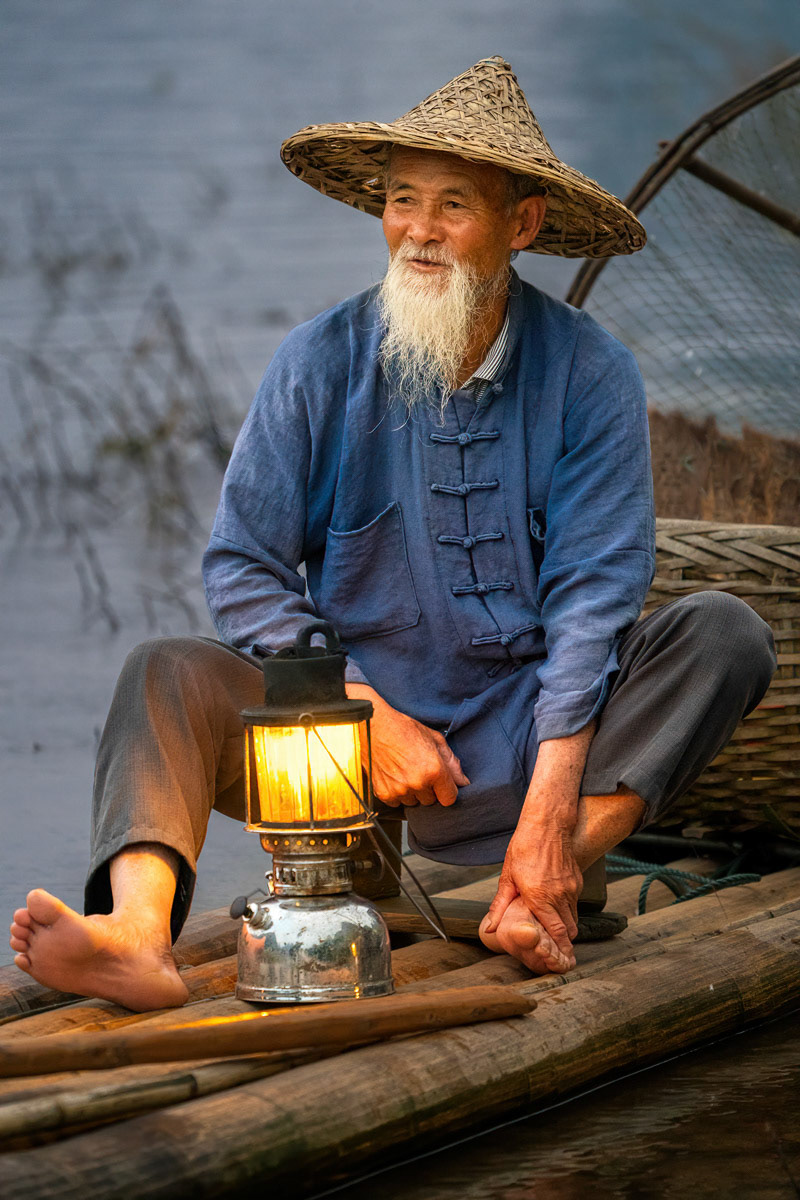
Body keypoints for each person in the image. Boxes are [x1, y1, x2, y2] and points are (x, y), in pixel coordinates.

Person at [9, 57, 776, 1011]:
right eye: (402, 198)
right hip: (336, 758)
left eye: (454, 204)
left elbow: (594, 603)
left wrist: (549, 822)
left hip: (524, 750)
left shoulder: (590, 373)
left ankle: (540, 874)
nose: (418, 229)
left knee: (724, 634)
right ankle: (134, 931)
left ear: (522, 224)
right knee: (162, 671)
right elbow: (243, 566)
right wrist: (362, 711)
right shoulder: (318, 360)